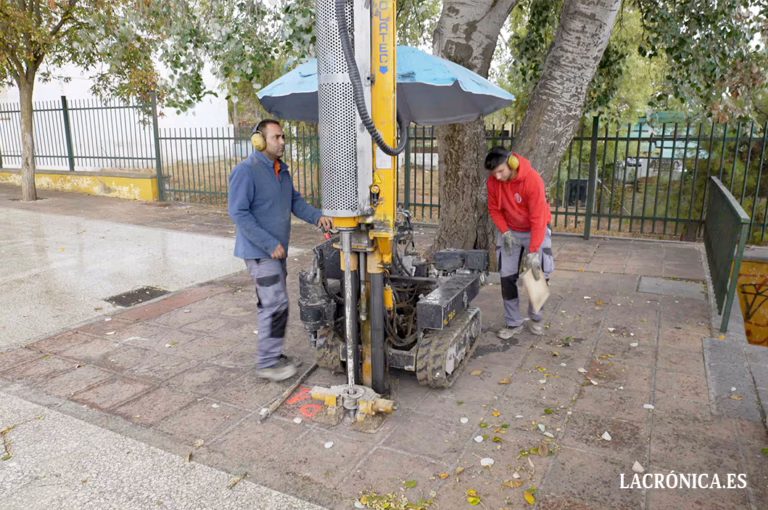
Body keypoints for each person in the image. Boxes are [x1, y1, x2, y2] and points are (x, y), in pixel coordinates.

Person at [229, 119, 333, 381]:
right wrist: (268, 243)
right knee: (275, 304)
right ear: (259, 140)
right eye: (276, 137)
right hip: (261, 252)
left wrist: (317, 217)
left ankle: (272, 354)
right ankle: (266, 362)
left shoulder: (281, 170)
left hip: (276, 253)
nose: (283, 142)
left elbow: (295, 201)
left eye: (283, 137)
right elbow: (238, 213)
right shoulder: (247, 170)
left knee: (273, 303)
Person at [485, 146, 554, 339]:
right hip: (511, 230)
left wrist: (533, 252)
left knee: (537, 275)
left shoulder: (532, 180)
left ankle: (536, 318)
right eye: (494, 173)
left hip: (536, 229)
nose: (497, 177)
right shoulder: (493, 182)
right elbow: (494, 209)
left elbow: (538, 218)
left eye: (500, 171)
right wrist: (505, 232)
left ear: (511, 163)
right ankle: (513, 321)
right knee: (507, 277)